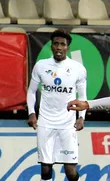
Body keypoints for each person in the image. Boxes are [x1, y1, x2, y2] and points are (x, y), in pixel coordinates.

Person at [26, 29, 87, 181]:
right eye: (56, 44)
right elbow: (31, 92)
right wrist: (31, 113)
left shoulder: (78, 69)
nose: (59, 47)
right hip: (46, 122)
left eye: (62, 44)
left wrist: (81, 118)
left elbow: (83, 97)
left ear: (68, 47)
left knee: (70, 172)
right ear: (51, 46)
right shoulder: (41, 66)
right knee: (46, 169)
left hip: (68, 124)